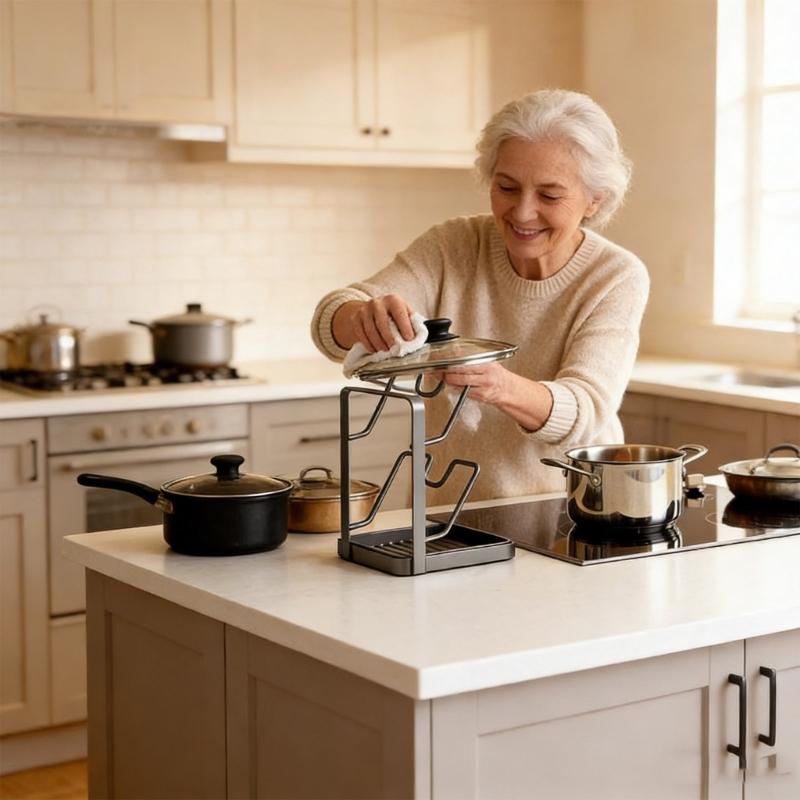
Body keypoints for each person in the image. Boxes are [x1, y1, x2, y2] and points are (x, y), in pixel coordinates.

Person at [311, 89, 650, 504]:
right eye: (507, 188)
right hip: (447, 516)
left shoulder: (615, 276)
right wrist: (360, 316)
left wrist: (498, 385)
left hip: (568, 513)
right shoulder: (454, 243)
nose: (523, 213)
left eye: (549, 195)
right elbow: (331, 319)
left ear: (594, 200)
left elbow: (585, 409)